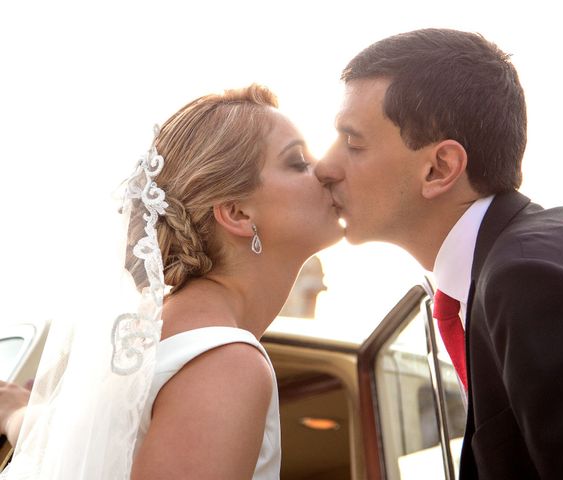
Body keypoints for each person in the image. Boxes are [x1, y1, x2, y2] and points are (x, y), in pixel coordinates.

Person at [315, 28, 563, 479]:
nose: (324, 167)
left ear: (439, 168)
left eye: (353, 143)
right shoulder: (520, 262)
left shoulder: (529, 280)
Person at [0, 84, 342, 479]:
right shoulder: (225, 362)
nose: (328, 172)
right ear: (237, 212)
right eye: (298, 162)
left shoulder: (143, 344)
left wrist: (20, 414)